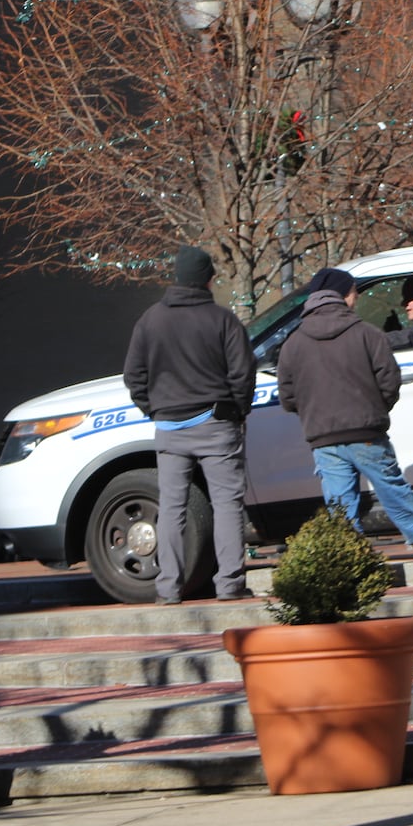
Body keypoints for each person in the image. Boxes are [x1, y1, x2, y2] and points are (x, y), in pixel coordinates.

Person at [277, 267, 413, 560]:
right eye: (354, 291)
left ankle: (348, 557)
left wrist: (312, 413)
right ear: (344, 295)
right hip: (366, 430)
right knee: (392, 489)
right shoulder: (367, 334)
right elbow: (389, 380)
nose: (356, 296)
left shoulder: (293, 344)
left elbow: (288, 396)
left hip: (322, 436)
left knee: (340, 502)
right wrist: (376, 408)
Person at [122, 245, 255, 605]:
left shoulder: (150, 320)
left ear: (178, 278)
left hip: (169, 428)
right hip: (216, 422)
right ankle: (229, 584)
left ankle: (168, 588)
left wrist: (153, 409)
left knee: (172, 508)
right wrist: (238, 410)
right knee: (227, 504)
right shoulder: (223, 320)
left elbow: (133, 375)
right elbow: (243, 373)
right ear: (208, 279)